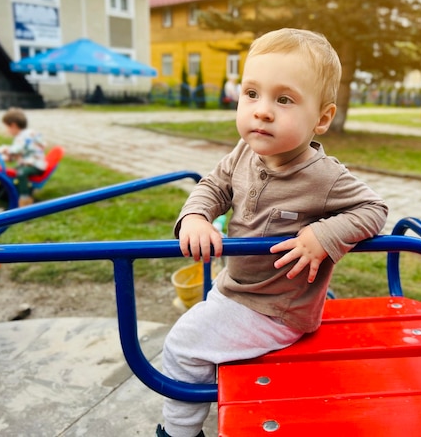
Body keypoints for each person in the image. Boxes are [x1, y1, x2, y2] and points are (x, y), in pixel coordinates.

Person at [157, 28, 389, 437]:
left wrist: (324, 235)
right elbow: (214, 186)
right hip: (238, 288)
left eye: (283, 99)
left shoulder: (324, 176)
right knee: (200, 346)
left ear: (322, 118)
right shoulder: (245, 151)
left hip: (275, 308)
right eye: (251, 93)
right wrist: (195, 217)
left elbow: (374, 209)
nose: (262, 110)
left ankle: (178, 434)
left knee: (179, 349)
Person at [0, 108, 47, 207]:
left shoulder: (26, 135)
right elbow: (19, 154)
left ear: (13, 125)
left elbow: (16, 150)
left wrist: (1, 149)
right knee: (17, 171)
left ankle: (25, 199)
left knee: (21, 172)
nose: (7, 130)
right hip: (28, 163)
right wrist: (4, 158)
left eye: (7, 127)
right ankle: (14, 192)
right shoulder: (23, 136)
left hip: (36, 165)